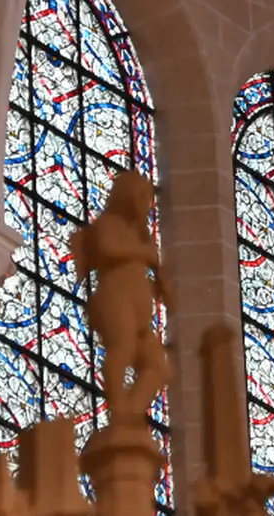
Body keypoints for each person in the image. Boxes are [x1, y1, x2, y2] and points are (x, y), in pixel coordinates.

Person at [71, 172, 173, 424]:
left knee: (158, 366)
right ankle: (117, 409)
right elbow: (106, 248)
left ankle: (131, 411)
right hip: (115, 298)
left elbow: (163, 290)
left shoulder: (141, 235)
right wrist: (144, 252)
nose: (145, 206)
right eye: (141, 198)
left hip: (140, 310)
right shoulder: (108, 223)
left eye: (147, 201)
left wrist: (163, 281)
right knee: (122, 349)